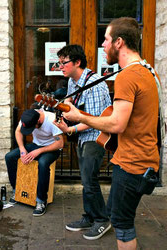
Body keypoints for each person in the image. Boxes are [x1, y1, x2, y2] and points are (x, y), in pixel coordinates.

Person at [63, 17, 161, 250]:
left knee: (122, 224)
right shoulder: (147, 71)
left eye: (106, 40)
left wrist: (79, 118)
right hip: (142, 160)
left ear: (119, 42)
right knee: (122, 220)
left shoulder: (127, 75)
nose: (102, 45)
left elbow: (117, 124)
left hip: (132, 163)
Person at [53, 44, 112, 240]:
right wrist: (64, 107)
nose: (60, 66)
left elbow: (95, 119)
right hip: (83, 136)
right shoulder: (72, 80)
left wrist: (69, 129)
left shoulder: (94, 83)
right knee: (86, 181)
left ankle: (102, 220)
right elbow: (71, 102)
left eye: (64, 62)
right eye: (59, 62)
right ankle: (89, 216)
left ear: (77, 62)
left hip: (95, 136)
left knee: (90, 181)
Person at [5, 109, 64, 216]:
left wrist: (39, 151)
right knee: (9, 157)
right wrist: (22, 149)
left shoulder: (52, 120)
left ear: (39, 121)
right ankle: (16, 191)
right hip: (35, 145)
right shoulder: (27, 117)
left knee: (43, 163)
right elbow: (18, 131)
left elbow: (60, 144)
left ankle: (41, 201)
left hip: (51, 148)